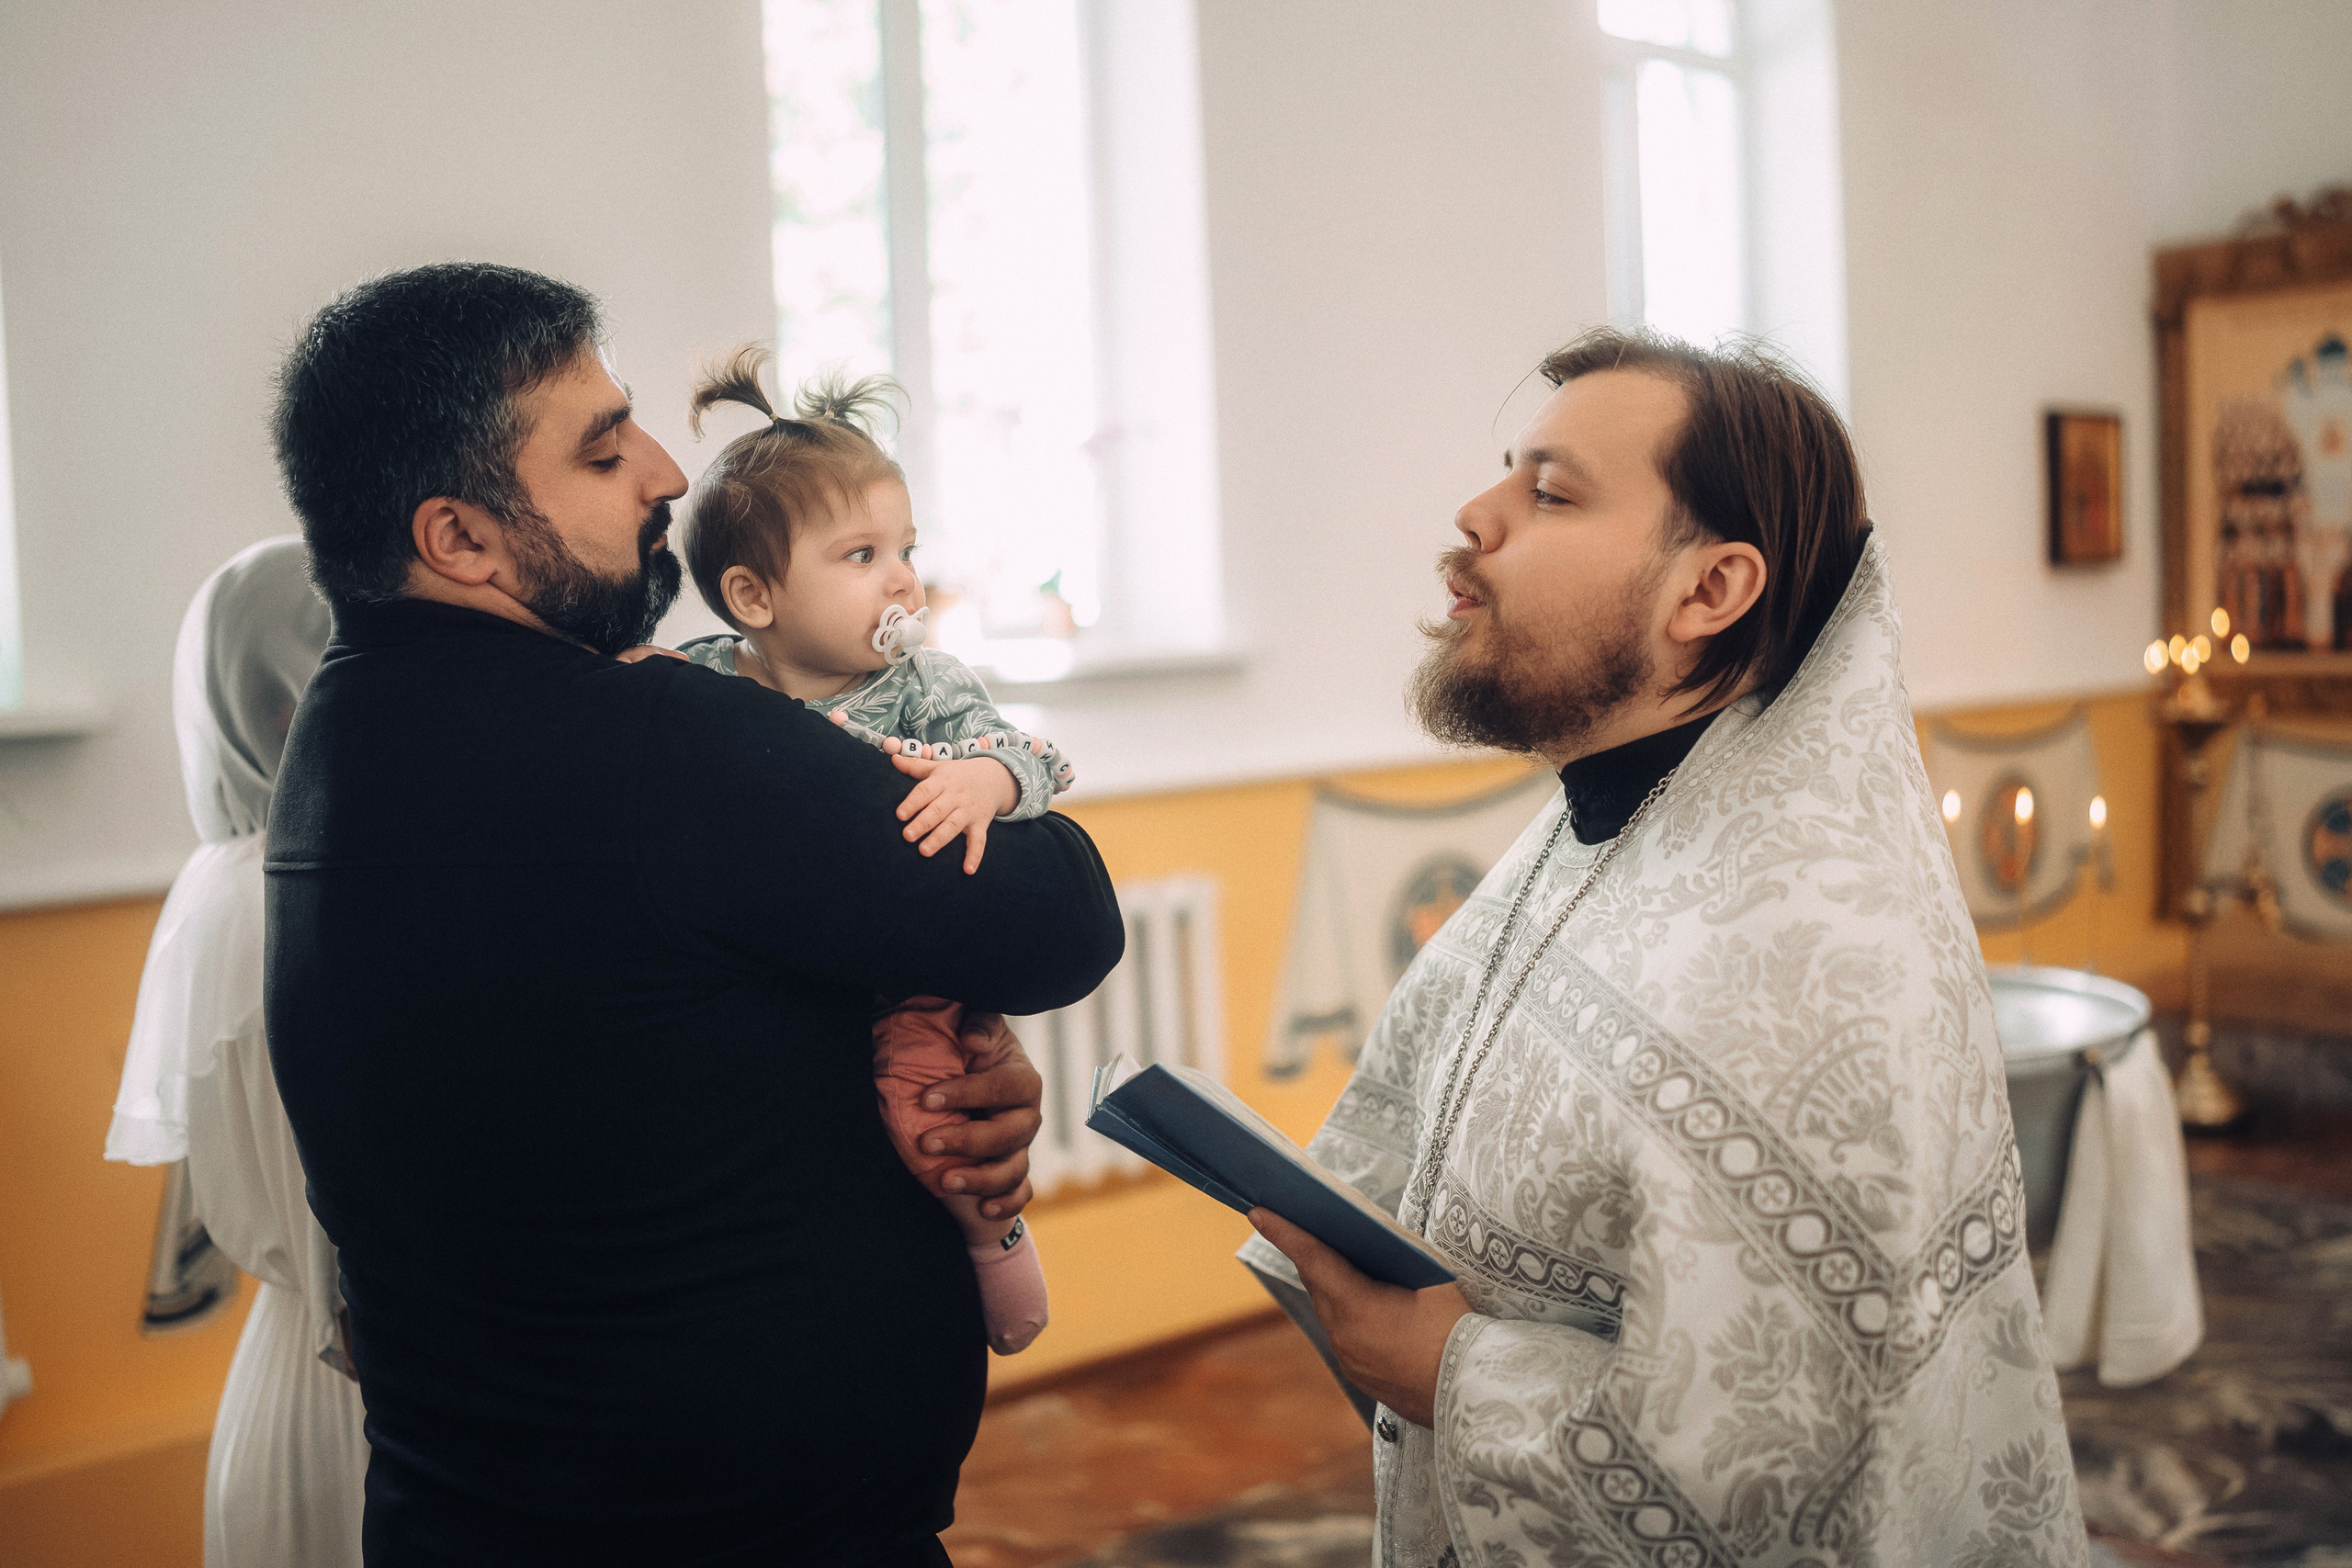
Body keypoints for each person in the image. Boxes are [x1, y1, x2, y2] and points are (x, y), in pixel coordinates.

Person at [265, 263, 1125, 1567]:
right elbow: (1059, 915)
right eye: (605, 451)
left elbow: (632, 1046)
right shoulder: (650, 741)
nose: (669, 470)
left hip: (471, 1510)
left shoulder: (336, 748)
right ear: (461, 538)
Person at [1242, 329, 2088, 1565]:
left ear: (1710, 590)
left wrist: (1451, 1369)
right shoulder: (1606, 826)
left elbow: (1788, 1470)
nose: (1476, 517)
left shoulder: (1808, 949)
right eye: (1505, 475)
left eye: (1551, 491)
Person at [671, 348, 1073, 1356]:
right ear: (754, 599)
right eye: (861, 558)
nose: (903, 578)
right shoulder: (709, 684)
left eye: (906, 548)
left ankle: (993, 1241)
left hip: (913, 977)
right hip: (786, 994)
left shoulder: (926, 686)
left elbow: (1033, 757)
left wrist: (985, 779)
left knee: (926, 1116)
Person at [107, 536, 366, 1568]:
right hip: (358, 1408)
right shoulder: (312, 905)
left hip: (274, 1392)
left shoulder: (218, 889)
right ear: (284, 710)